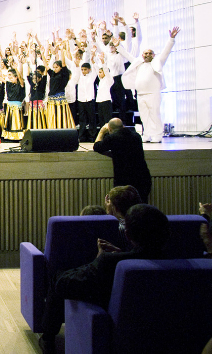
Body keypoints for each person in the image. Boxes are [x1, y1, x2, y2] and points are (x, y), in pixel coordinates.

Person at [39, 204, 169, 354]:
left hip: (111, 325)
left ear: (127, 235)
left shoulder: (109, 262)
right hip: (161, 330)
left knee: (58, 278)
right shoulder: (179, 262)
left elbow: (66, 284)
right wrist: (121, 254)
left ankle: (48, 338)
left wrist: (98, 259)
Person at [121, 26, 179, 142]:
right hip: (141, 94)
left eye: (149, 53)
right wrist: (118, 46)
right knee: (144, 116)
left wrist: (171, 39)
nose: (147, 55)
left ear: (153, 55)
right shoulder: (138, 63)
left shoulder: (158, 62)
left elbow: (166, 51)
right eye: (145, 53)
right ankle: (147, 134)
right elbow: (127, 55)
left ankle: (157, 135)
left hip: (153, 94)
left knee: (154, 114)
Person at [93, 118, 152, 202]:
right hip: (143, 179)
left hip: (124, 181)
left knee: (123, 206)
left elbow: (97, 147)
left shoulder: (113, 138)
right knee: (141, 205)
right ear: (123, 126)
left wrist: (102, 132)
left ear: (109, 128)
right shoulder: (136, 136)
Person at [46, 56, 75, 129]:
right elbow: (46, 67)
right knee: (53, 117)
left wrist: (62, 51)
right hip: (51, 99)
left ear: (61, 67)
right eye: (54, 67)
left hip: (59, 99)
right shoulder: (53, 74)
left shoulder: (64, 75)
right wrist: (42, 54)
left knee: (60, 116)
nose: (55, 69)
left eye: (57, 67)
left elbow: (64, 63)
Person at [74, 62, 98, 142]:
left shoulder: (91, 77)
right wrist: (77, 67)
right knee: (82, 119)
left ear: (89, 70)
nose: (83, 71)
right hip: (81, 100)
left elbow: (96, 71)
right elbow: (75, 77)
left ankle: (92, 136)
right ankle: (81, 136)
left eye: (85, 69)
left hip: (89, 100)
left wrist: (93, 61)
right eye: (82, 70)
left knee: (92, 118)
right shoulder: (79, 77)